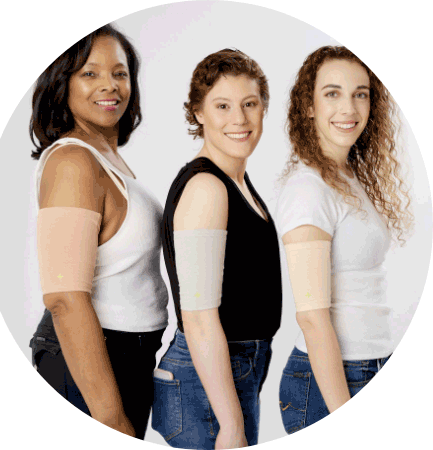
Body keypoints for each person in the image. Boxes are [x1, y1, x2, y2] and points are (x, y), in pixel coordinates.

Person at [29, 24, 168, 439]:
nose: (110, 85)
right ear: (61, 83)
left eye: (120, 73)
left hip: (129, 357)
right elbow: (64, 299)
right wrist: (110, 418)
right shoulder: (73, 161)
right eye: (90, 73)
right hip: (90, 360)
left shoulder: (106, 158)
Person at [276, 46, 413, 434]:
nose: (349, 108)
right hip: (331, 382)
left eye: (360, 93)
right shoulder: (308, 189)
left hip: (371, 366)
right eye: (332, 93)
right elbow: (311, 316)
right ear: (309, 106)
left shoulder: (348, 176)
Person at [151, 49, 282, 449]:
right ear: (198, 113)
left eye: (250, 104)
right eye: (222, 105)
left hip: (230, 370)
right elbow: (199, 316)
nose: (239, 119)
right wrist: (231, 423)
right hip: (205, 378)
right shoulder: (207, 188)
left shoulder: (236, 180)